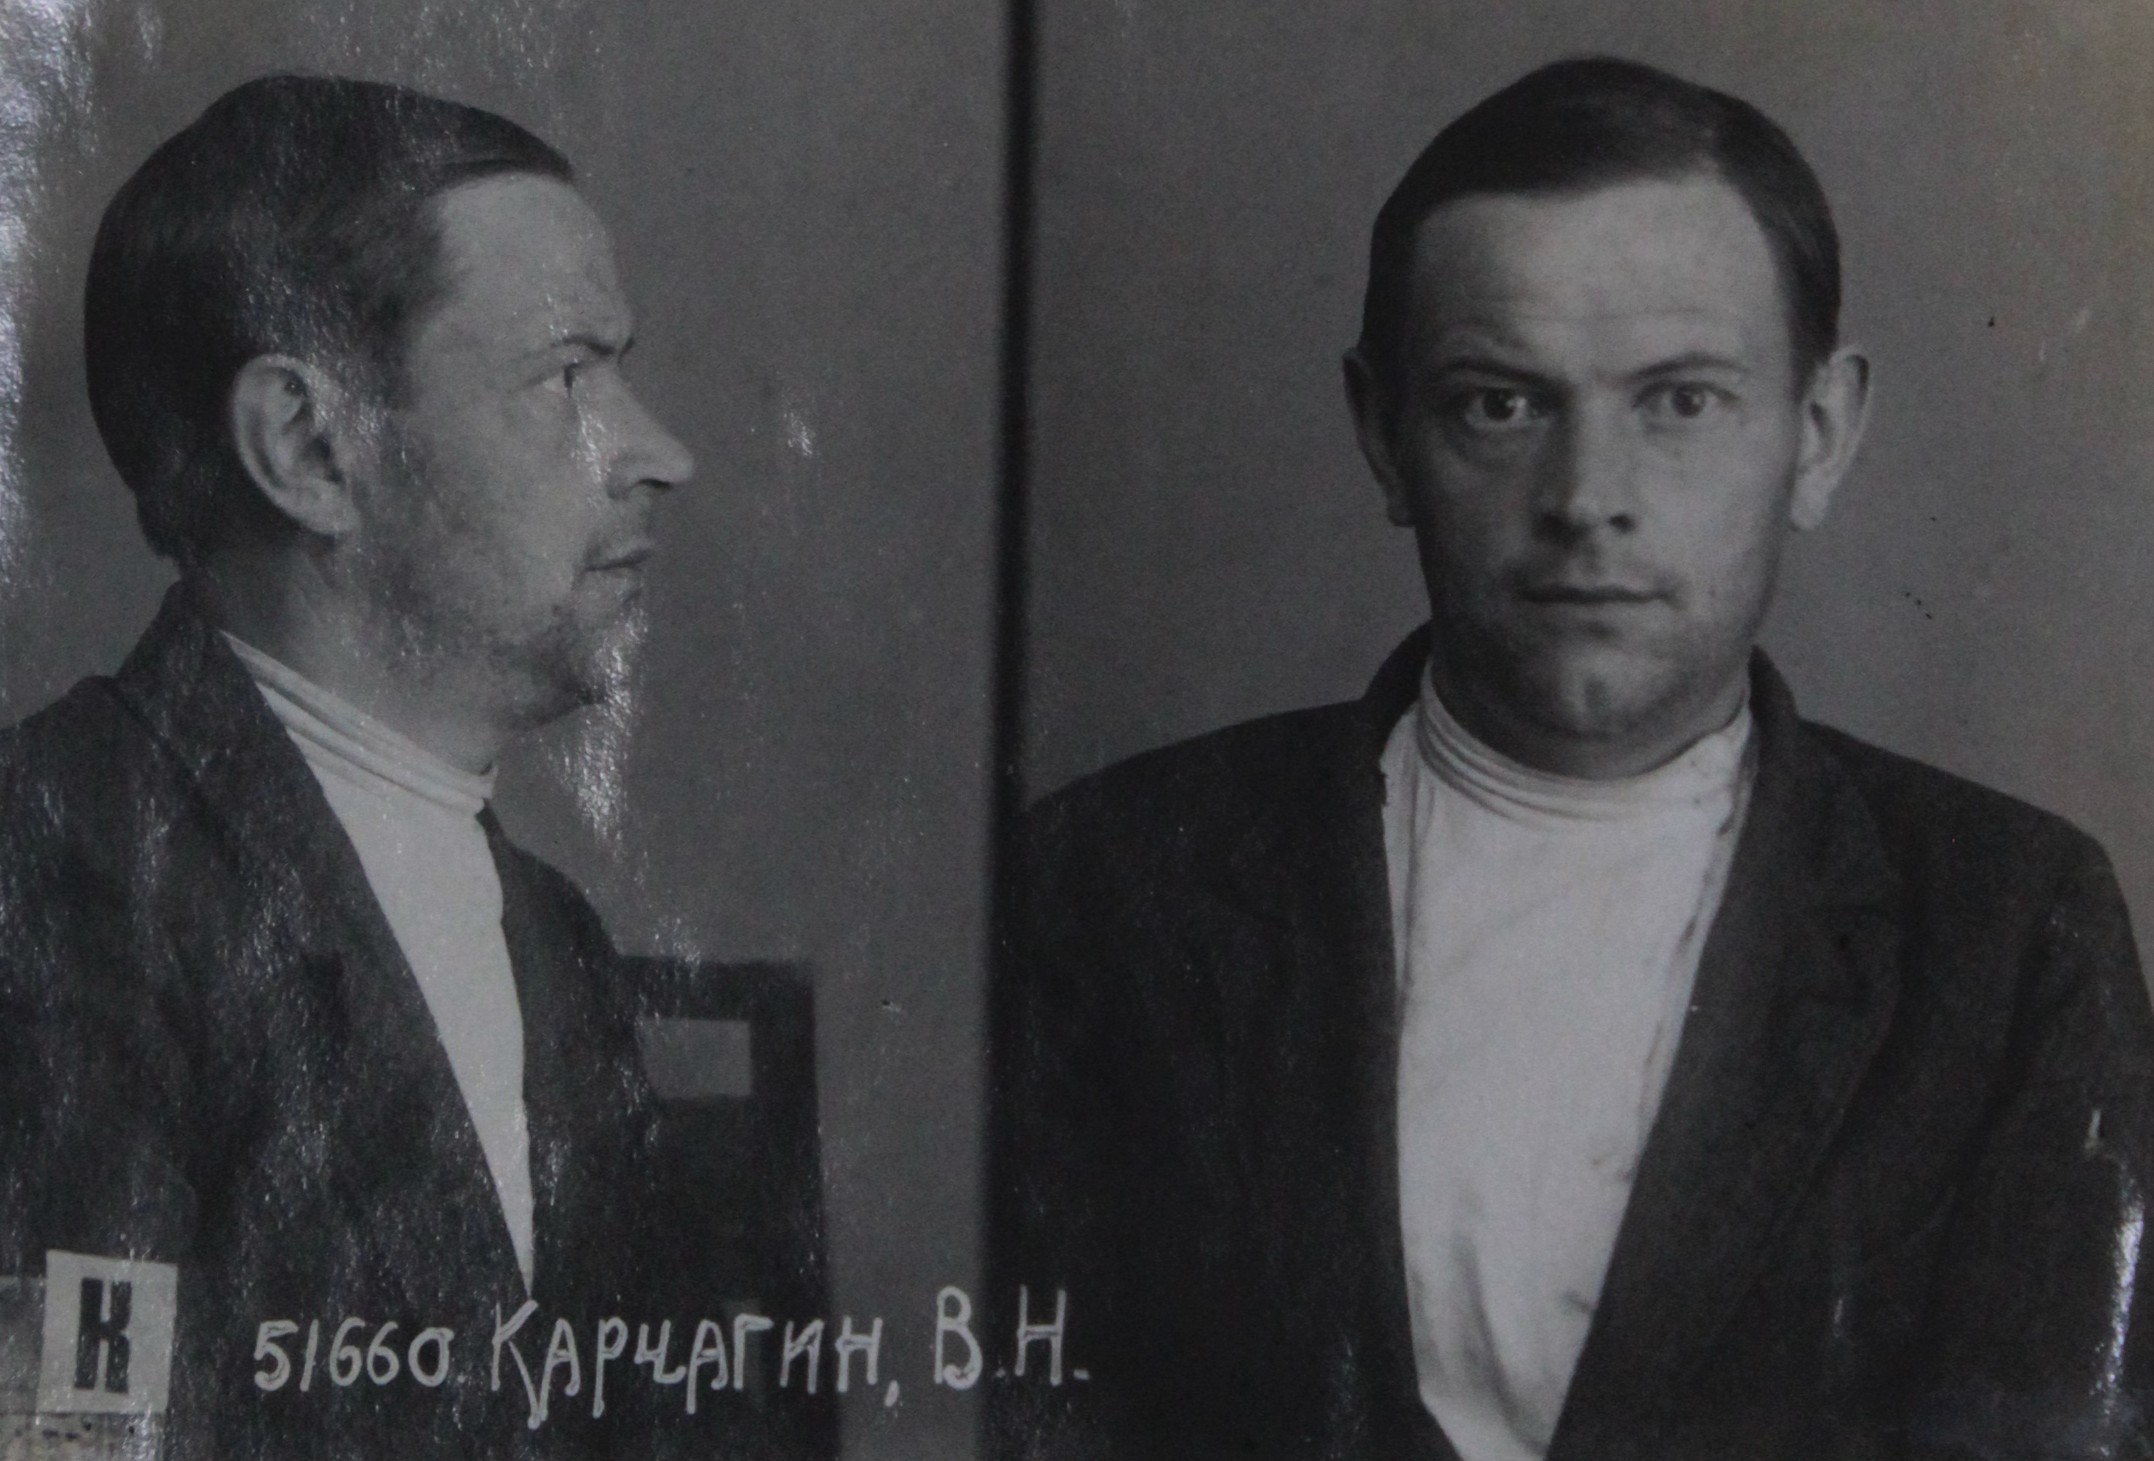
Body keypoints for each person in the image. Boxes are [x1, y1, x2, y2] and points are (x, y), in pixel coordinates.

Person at [988, 57, 2154, 1461]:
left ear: (1819, 435)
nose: (1587, 497)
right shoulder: (1109, 882)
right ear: (1383, 435)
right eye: (1499, 404)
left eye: (1681, 402)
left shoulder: (2012, 927)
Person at [0, 75, 799, 1458]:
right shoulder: (51, 871)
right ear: (310, 448)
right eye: (566, 376)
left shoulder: (556, 938)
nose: (660, 453)